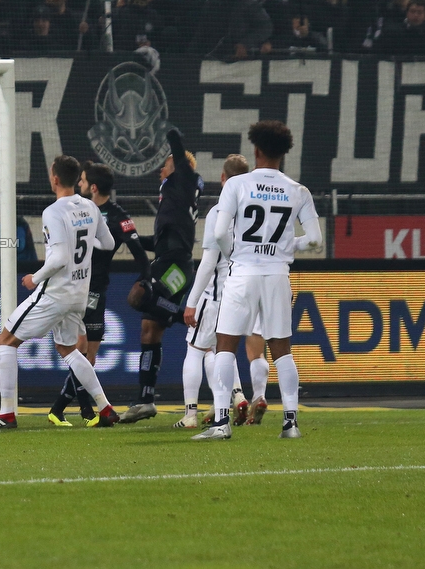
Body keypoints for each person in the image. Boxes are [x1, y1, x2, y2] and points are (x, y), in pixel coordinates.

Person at [193, 120, 322, 440]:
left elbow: (221, 233)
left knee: (224, 346)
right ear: (283, 153)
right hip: (278, 275)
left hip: (243, 272)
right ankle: (291, 423)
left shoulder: (236, 186)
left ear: (257, 150)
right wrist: (287, 246)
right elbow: (316, 240)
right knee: (282, 350)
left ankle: (221, 423)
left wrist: (235, 252)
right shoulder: (298, 190)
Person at [0, 155, 120, 430]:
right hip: (79, 292)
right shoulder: (90, 206)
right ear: (77, 180)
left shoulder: (53, 212)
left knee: (6, 340)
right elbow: (109, 242)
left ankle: (6, 414)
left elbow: (59, 259)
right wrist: (87, 247)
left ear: (54, 178)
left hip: (55, 292)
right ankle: (105, 408)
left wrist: (34, 277)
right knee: (67, 348)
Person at [47, 161, 150, 427]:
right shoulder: (80, 210)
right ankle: (78, 410)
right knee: (82, 351)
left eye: (82, 181)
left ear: (93, 187)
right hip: (78, 287)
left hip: (94, 289)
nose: (78, 185)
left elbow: (138, 249)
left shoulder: (117, 216)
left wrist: (145, 278)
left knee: (85, 354)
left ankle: (69, 409)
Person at [119, 128, 202, 424]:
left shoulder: (183, 183)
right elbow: (160, 243)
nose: (160, 170)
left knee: (138, 296)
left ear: (178, 168)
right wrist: (131, 240)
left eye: (164, 164)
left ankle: (187, 319)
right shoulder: (177, 199)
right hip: (170, 260)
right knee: (148, 330)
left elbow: (180, 158)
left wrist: (172, 135)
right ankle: (145, 400)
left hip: (176, 265)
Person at [179, 154, 251, 430]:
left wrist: (192, 300)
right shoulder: (253, 210)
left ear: (223, 178)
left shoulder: (220, 211)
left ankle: (190, 414)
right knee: (224, 351)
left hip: (217, 294)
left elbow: (209, 261)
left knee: (195, 349)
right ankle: (237, 396)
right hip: (242, 295)